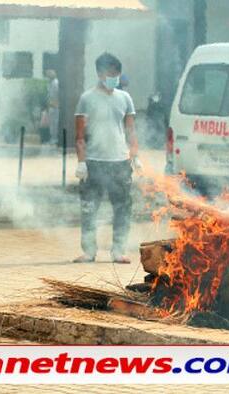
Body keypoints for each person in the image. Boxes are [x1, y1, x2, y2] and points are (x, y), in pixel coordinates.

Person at [73, 52, 142, 265]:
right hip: (94, 162)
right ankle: (89, 251)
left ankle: (118, 250)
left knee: (122, 208)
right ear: (100, 74)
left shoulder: (125, 98)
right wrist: (82, 162)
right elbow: (80, 136)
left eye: (117, 74)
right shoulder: (87, 99)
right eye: (111, 73)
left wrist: (135, 156)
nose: (115, 77)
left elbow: (130, 130)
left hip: (120, 163)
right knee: (89, 208)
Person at [45, 69, 60, 146]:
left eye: (48, 75)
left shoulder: (55, 83)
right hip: (51, 106)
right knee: (51, 123)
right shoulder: (50, 83)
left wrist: (55, 104)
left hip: (55, 106)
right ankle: (52, 139)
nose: (47, 77)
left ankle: (55, 139)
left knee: (55, 123)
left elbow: (57, 95)